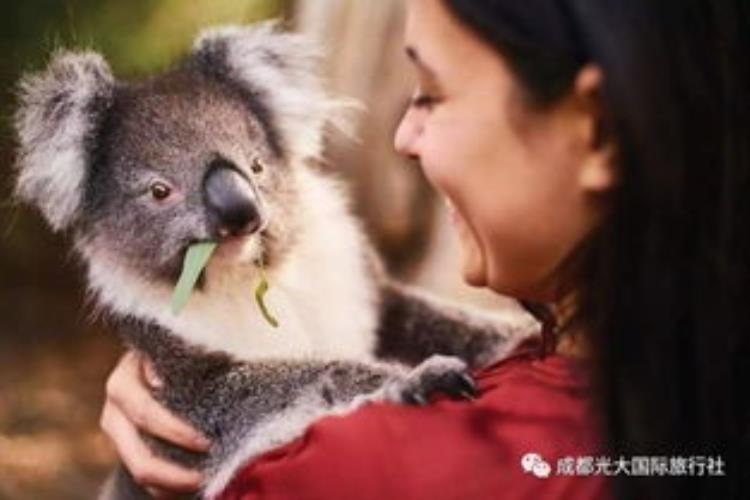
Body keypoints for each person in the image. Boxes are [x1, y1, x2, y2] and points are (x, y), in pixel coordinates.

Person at [99, 0, 749, 499]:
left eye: (433, 94)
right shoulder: (673, 380)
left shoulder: (351, 471)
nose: (404, 135)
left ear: (599, 130)